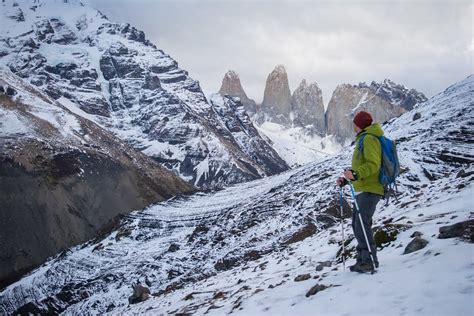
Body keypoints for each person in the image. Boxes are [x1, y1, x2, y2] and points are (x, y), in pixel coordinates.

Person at [336, 111, 384, 273]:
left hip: (371, 189)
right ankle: (362, 259)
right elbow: (361, 167)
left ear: (359, 124)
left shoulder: (370, 139)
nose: (353, 126)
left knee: (362, 225)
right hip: (363, 188)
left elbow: (373, 164)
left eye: (355, 123)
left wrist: (356, 174)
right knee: (357, 225)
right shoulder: (363, 139)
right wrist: (347, 178)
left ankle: (369, 261)